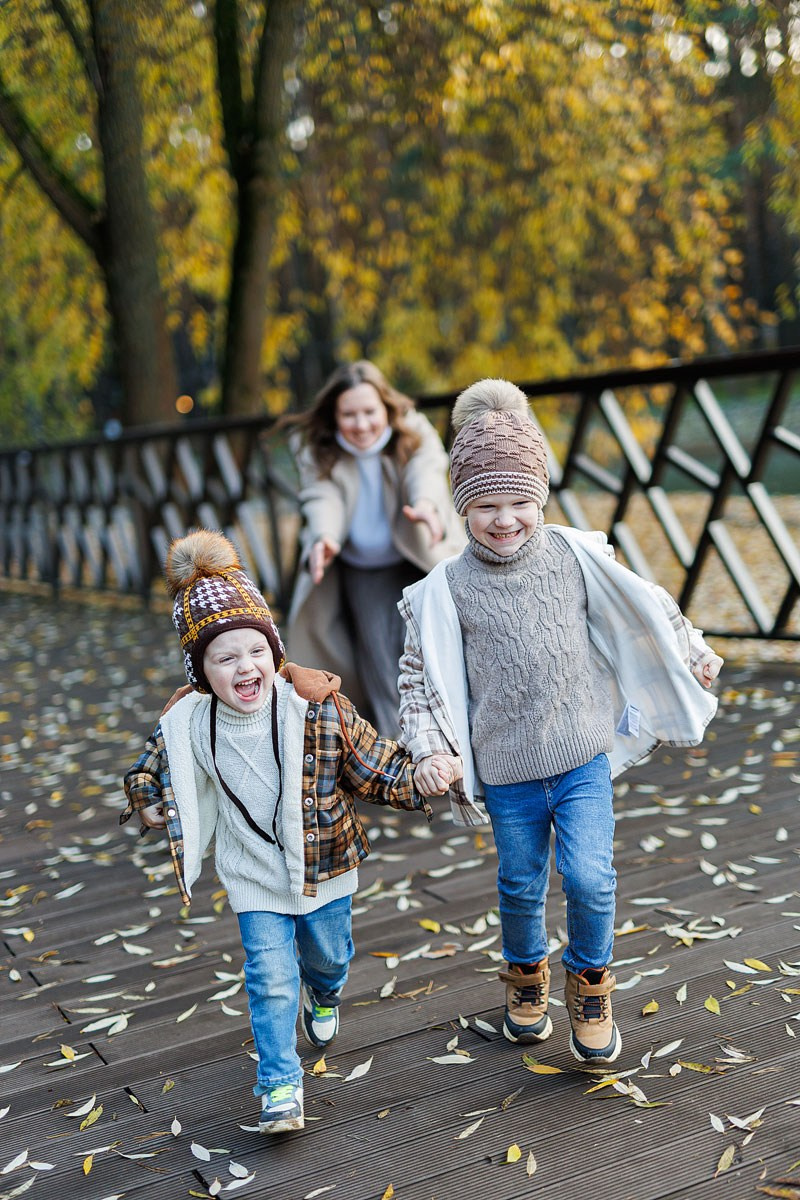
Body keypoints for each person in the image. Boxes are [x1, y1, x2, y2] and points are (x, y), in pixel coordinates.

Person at [397, 380, 724, 1065]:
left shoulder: (575, 556)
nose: (505, 519)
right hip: (509, 769)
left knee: (589, 878)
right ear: (462, 506)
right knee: (519, 883)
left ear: (540, 498)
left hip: (581, 757)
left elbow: (647, 607)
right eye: (486, 505)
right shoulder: (445, 590)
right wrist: (429, 751)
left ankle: (591, 981)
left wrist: (691, 653)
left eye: (520, 502)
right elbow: (418, 681)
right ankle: (525, 977)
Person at [121, 529, 460, 1133]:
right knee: (270, 980)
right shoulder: (189, 723)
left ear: (274, 652)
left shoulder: (316, 708)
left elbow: (373, 763)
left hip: (325, 865)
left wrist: (423, 779)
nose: (243, 666)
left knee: (329, 958)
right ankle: (279, 1085)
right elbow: (150, 766)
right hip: (254, 879)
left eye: (255, 650)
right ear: (201, 672)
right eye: (224, 658)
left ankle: (324, 993)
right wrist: (147, 801)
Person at [284, 360, 465, 738]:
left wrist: (426, 507)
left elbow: (427, 472)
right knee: (383, 662)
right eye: (349, 414)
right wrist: (324, 537)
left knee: (433, 654)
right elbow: (322, 497)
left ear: (386, 408)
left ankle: (453, 739)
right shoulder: (317, 449)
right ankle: (402, 751)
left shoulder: (413, 432)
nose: (361, 424)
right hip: (361, 572)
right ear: (335, 416)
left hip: (415, 560)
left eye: (369, 412)